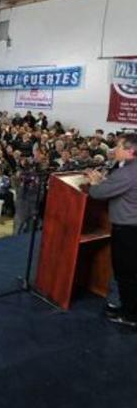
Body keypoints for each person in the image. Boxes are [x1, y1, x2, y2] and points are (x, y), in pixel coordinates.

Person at [88, 134, 137, 327]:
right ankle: (128, 308)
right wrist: (105, 181)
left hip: (128, 230)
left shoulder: (128, 172)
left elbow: (97, 193)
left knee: (126, 273)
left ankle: (130, 315)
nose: (114, 150)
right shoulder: (128, 170)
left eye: (118, 147)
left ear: (131, 151)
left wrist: (95, 183)